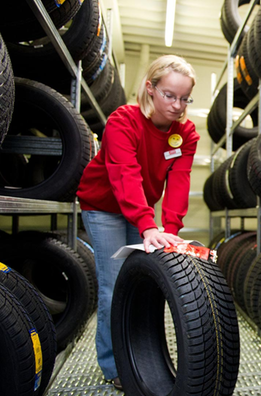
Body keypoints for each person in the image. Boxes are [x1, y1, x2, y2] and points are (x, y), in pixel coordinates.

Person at [76, 54, 199, 390]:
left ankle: (138, 353)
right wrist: (147, 225)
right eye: (169, 95)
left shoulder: (184, 134)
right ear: (150, 89)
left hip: (139, 207)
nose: (177, 106)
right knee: (113, 284)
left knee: (140, 280)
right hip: (103, 205)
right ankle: (114, 365)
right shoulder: (123, 120)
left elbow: (179, 182)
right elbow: (125, 175)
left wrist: (170, 230)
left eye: (184, 98)